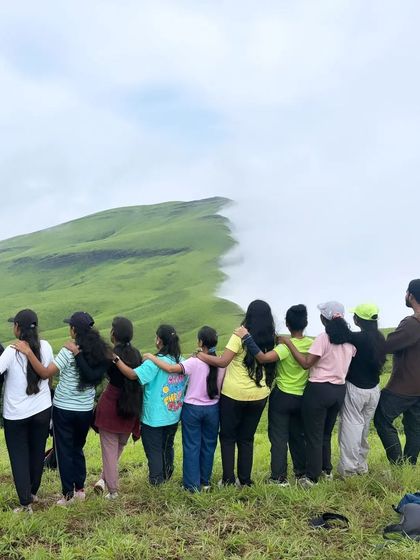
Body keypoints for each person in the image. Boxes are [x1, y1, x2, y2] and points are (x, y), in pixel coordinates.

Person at [13, 311, 111, 505]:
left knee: (64, 451)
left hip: (63, 409)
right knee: (77, 448)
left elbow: (44, 372)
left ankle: (68, 495)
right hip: (84, 410)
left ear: (74, 330)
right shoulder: (100, 351)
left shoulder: (68, 351)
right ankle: (80, 489)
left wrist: (28, 352)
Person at [197, 300, 277, 487]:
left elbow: (223, 362)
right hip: (259, 395)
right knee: (246, 438)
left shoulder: (240, 334)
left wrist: (201, 356)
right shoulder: (272, 338)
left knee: (227, 437)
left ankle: (228, 480)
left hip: (233, 394)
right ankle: (245, 480)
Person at [280, 302, 356, 486]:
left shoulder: (323, 337)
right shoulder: (350, 340)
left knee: (313, 434)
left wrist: (289, 343)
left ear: (324, 318)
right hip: (339, 390)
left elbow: (307, 363)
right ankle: (326, 470)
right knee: (325, 434)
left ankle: (312, 477)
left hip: (319, 390)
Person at [235, 304, 312, 486]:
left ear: (287, 324)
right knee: (297, 436)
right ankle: (301, 473)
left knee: (278, 438)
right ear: (306, 323)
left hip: (283, 396)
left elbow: (262, 358)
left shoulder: (284, 347)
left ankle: (278, 478)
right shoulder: (311, 344)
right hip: (302, 397)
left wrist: (247, 337)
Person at [143, 326, 224, 491]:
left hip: (193, 409)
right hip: (213, 409)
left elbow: (172, 369)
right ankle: (205, 482)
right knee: (208, 446)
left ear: (200, 342)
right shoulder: (221, 363)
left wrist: (152, 357)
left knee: (192, 446)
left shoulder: (194, 361)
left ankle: (191, 485)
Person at [114, 324, 187, 485]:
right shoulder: (181, 361)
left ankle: (156, 480)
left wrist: (116, 359)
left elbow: (132, 375)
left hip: (153, 418)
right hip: (173, 414)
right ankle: (167, 474)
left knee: (153, 450)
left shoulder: (153, 363)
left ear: (159, 341)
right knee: (167, 446)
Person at [0, 309, 54, 514]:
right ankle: (32, 493)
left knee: (19, 456)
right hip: (42, 410)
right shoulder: (46, 346)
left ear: (17, 329)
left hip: (16, 414)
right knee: (36, 451)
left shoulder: (12, 351)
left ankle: (25, 503)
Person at [93, 317, 142, 499]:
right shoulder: (137, 354)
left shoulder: (111, 355)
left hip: (112, 405)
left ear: (115, 333)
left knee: (109, 450)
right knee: (117, 448)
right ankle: (103, 480)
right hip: (131, 407)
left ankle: (113, 491)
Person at [374, 280, 420, 465]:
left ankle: (397, 463)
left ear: (410, 295)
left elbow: (389, 345)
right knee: (415, 427)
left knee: (382, 418)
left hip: (403, 386)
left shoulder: (412, 323)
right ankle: (409, 465)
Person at [337, 303, 386, 476]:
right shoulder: (380, 338)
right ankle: (361, 467)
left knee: (350, 429)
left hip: (355, 389)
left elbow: (340, 335)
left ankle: (348, 471)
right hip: (374, 390)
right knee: (363, 430)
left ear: (359, 319)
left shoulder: (358, 338)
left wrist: (337, 319)